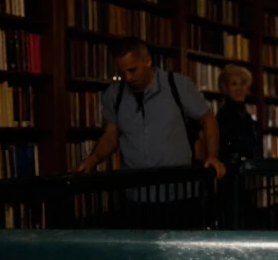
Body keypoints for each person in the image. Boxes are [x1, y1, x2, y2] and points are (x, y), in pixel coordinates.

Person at [76, 37, 225, 178]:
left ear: (147, 60)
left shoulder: (176, 85)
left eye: (132, 70)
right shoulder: (115, 94)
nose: (127, 78)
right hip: (135, 186)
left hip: (176, 184)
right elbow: (111, 135)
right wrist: (93, 159)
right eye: (122, 73)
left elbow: (207, 119)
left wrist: (212, 157)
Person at [215, 64, 261, 163]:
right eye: (234, 84)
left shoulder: (246, 114)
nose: (239, 89)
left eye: (242, 84)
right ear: (225, 88)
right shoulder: (224, 115)